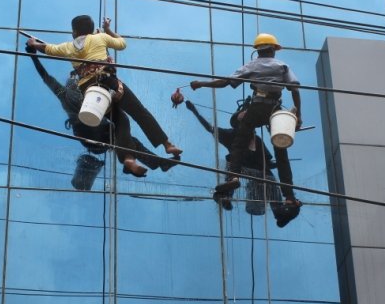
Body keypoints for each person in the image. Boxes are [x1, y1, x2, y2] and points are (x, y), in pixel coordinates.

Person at [27, 15, 182, 177]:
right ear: (92, 30)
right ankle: (167, 144)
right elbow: (122, 44)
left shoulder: (68, 48)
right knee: (138, 112)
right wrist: (107, 31)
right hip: (107, 85)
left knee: (122, 123)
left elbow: (49, 50)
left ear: (74, 32)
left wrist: (34, 45)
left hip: (93, 97)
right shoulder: (99, 38)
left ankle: (131, 160)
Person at [189, 33, 302, 212]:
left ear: (257, 51)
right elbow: (295, 89)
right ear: (273, 49)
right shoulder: (282, 66)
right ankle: (288, 196)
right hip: (275, 110)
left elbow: (226, 82)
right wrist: (298, 116)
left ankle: (233, 178)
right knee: (281, 153)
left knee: (239, 146)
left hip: (256, 106)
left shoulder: (251, 65)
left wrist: (201, 83)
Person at [183, 100, 300, 227]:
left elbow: (267, 162)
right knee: (231, 164)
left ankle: (280, 213)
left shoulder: (258, 140)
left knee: (271, 179)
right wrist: (194, 110)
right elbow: (209, 128)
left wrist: (276, 164)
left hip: (260, 171)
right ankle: (225, 196)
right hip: (239, 169)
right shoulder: (231, 135)